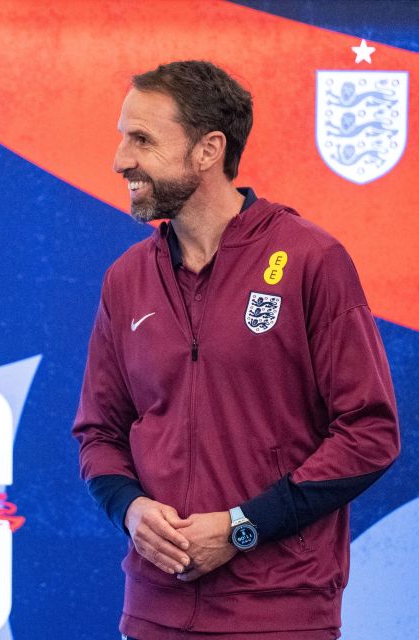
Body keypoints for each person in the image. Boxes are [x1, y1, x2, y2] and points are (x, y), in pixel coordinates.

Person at [72, 60, 399, 639]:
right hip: (154, 610)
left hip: (279, 611)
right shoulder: (126, 279)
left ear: (208, 150)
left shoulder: (310, 260)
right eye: (123, 137)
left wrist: (242, 527)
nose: (121, 159)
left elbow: (369, 432)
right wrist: (130, 507)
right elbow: (99, 431)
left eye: (142, 139)